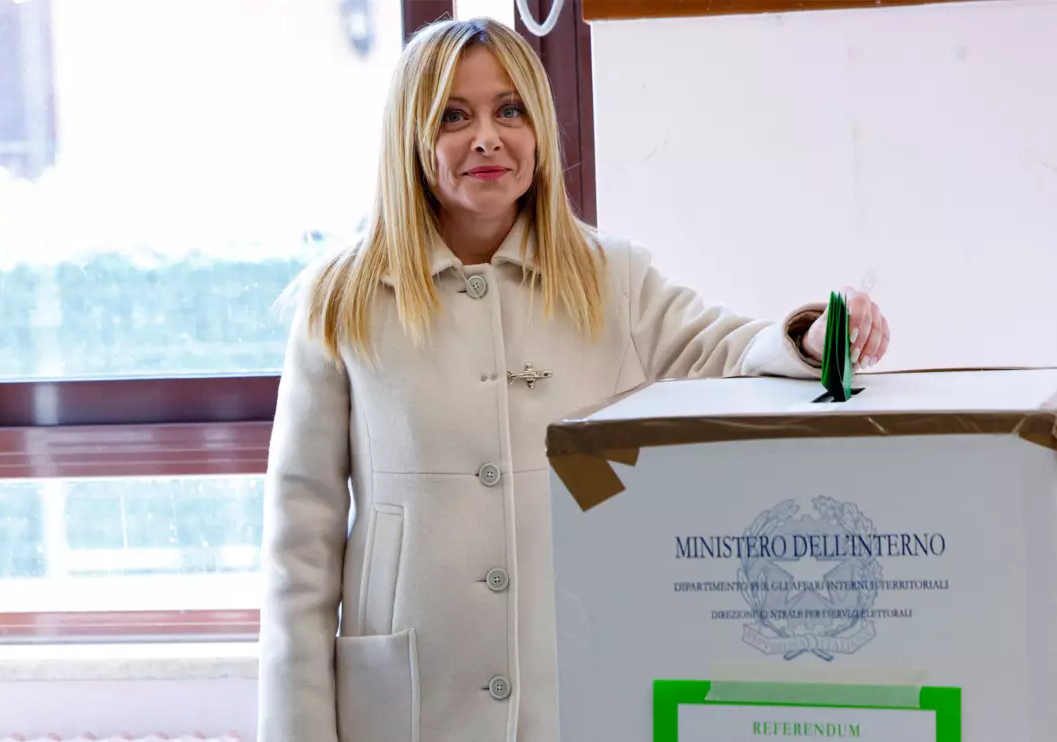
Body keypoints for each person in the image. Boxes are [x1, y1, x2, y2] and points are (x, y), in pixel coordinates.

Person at [256, 16, 890, 742]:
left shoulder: (608, 276)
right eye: (454, 116)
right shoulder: (342, 298)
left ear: (539, 130)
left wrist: (813, 335)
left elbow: (723, 346)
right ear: (410, 136)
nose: (486, 137)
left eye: (510, 110)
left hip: (576, 682)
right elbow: (298, 547)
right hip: (407, 700)